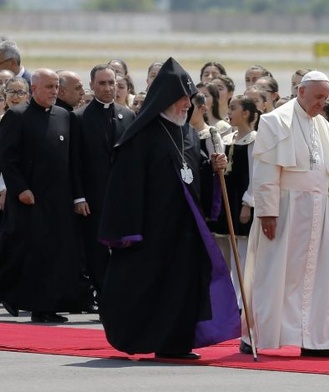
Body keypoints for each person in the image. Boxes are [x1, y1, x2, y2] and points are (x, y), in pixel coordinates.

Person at [97, 57, 240, 359]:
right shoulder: (141, 137)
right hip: (153, 232)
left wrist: (214, 168)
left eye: (189, 100)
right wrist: (130, 231)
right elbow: (125, 186)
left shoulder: (186, 133)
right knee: (154, 290)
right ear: (166, 99)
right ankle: (154, 339)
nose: (188, 105)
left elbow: (194, 175)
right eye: (183, 99)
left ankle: (177, 344)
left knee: (184, 289)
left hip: (185, 231)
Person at [240, 70, 329, 358]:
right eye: (317, 97)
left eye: (325, 98)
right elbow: (265, 171)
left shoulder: (323, 126)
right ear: (301, 92)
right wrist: (267, 212)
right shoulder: (275, 121)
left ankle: (316, 338)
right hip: (286, 209)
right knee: (276, 272)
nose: (321, 104)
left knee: (318, 277)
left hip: (318, 212)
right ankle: (258, 333)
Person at [0, 68, 93, 322]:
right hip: (31, 200)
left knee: (57, 253)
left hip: (59, 200)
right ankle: (36, 306)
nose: (54, 92)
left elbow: (73, 161)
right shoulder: (17, 117)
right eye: (49, 87)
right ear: (34, 89)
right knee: (34, 254)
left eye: (56, 87)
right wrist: (21, 189)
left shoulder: (65, 116)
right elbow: (7, 159)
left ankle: (50, 305)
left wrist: (77, 196)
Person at [70, 64, 136, 307]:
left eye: (112, 83)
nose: (108, 88)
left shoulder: (128, 116)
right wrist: (79, 197)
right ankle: (104, 296)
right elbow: (74, 161)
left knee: (123, 249)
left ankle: (119, 296)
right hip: (93, 198)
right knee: (96, 252)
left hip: (121, 197)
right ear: (92, 86)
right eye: (102, 84)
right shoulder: (78, 117)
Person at [209, 95, 258, 309]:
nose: (229, 112)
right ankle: (229, 296)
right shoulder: (229, 138)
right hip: (228, 199)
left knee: (244, 253)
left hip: (242, 200)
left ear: (246, 113)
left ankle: (244, 298)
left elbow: (255, 174)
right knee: (227, 249)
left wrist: (248, 203)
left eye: (234, 108)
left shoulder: (254, 140)